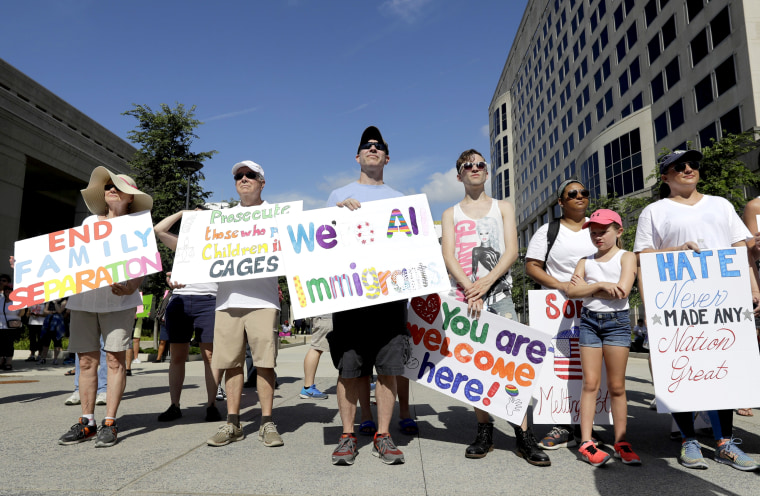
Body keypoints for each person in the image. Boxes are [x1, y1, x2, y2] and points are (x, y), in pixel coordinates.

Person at [634, 149, 760, 471]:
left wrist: (753, 288)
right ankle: (689, 439)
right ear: (665, 177)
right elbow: (644, 258)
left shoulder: (720, 204)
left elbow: (738, 250)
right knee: (682, 368)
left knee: (722, 368)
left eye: (693, 164)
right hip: (676, 303)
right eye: (679, 166)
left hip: (721, 301)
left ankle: (725, 443)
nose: (689, 169)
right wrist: (650, 309)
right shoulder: (654, 211)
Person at [441, 148, 549, 467]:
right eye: (466, 166)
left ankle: (522, 434)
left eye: (479, 165)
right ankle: (484, 429)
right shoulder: (450, 214)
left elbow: (512, 251)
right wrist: (470, 288)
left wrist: (485, 283)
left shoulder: (503, 207)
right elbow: (449, 255)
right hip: (464, 298)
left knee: (510, 366)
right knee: (475, 365)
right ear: (459, 174)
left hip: (499, 295)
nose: (474, 168)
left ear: (487, 173)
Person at [54, 167, 152, 447]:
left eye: (118, 186)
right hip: (85, 300)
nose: (111, 189)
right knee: (85, 361)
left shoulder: (137, 227)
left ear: (130, 197)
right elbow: (67, 258)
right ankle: (87, 421)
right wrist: (29, 269)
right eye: (108, 185)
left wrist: (132, 286)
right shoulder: (88, 223)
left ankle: (109, 422)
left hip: (120, 301)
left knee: (114, 360)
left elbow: (143, 264)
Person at [328, 126, 408, 466]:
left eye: (378, 146)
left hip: (389, 298)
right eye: (366, 145)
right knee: (350, 369)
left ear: (386, 158)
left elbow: (410, 249)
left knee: (387, 369)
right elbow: (320, 247)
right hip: (349, 299)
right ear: (358, 156)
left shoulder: (402, 200)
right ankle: (347, 436)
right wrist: (336, 216)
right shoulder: (336, 196)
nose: (372, 148)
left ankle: (383, 435)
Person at [206, 160, 282, 448]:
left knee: (265, 363)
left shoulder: (276, 214)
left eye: (251, 175)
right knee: (231, 364)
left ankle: (267, 422)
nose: (244, 179)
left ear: (262, 182)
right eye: (239, 176)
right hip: (227, 300)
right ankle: (233, 424)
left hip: (263, 300)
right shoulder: (222, 219)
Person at [524, 179, 597, 450]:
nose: (579, 196)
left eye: (584, 192)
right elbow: (532, 266)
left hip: (594, 307)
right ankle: (562, 425)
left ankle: (587, 425)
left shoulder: (599, 226)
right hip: (559, 309)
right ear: (561, 202)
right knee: (562, 367)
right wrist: (561, 285)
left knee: (591, 368)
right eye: (572, 194)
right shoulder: (548, 231)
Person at [565, 209, 639, 467]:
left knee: (617, 386)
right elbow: (571, 292)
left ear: (618, 231)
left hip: (617, 324)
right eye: (593, 232)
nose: (598, 237)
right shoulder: (585, 261)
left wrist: (586, 290)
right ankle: (586, 441)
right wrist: (597, 287)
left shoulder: (627, 257)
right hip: (589, 323)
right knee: (590, 384)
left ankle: (621, 441)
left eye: (603, 231)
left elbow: (622, 291)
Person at [153, 208, 222, 424]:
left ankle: (212, 405)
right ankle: (175, 405)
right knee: (177, 356)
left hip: (209, 300)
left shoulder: (221, 246)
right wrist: (183, 212)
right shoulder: (183, 244)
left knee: (209, 356)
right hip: (180, 301)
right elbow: (159, 229)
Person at [300, 314, 331, 400]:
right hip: (327, 314)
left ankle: (358, 382)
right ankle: (308, 387)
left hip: (330, 313)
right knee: (317, 348)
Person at [1, 284, 25, 370]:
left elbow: (21, 314)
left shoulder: (18, 301)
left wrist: (23, 306)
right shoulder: (1, 300)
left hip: (12, 327)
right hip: (1, 326)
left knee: (9, 345)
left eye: (10, 290)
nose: (8, 291)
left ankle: (8, 362)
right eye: (6, 289)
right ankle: (1, 360)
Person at [39, 299, 66, 365]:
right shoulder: (49, 300)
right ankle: (43, 358)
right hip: (49, 322)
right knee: (45, 341)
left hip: (58, 323)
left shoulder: (64, 301)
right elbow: (45, 311)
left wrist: (55, 303)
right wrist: (52, 312)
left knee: (57, 341)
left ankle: (55, 359)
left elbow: (59, 311)